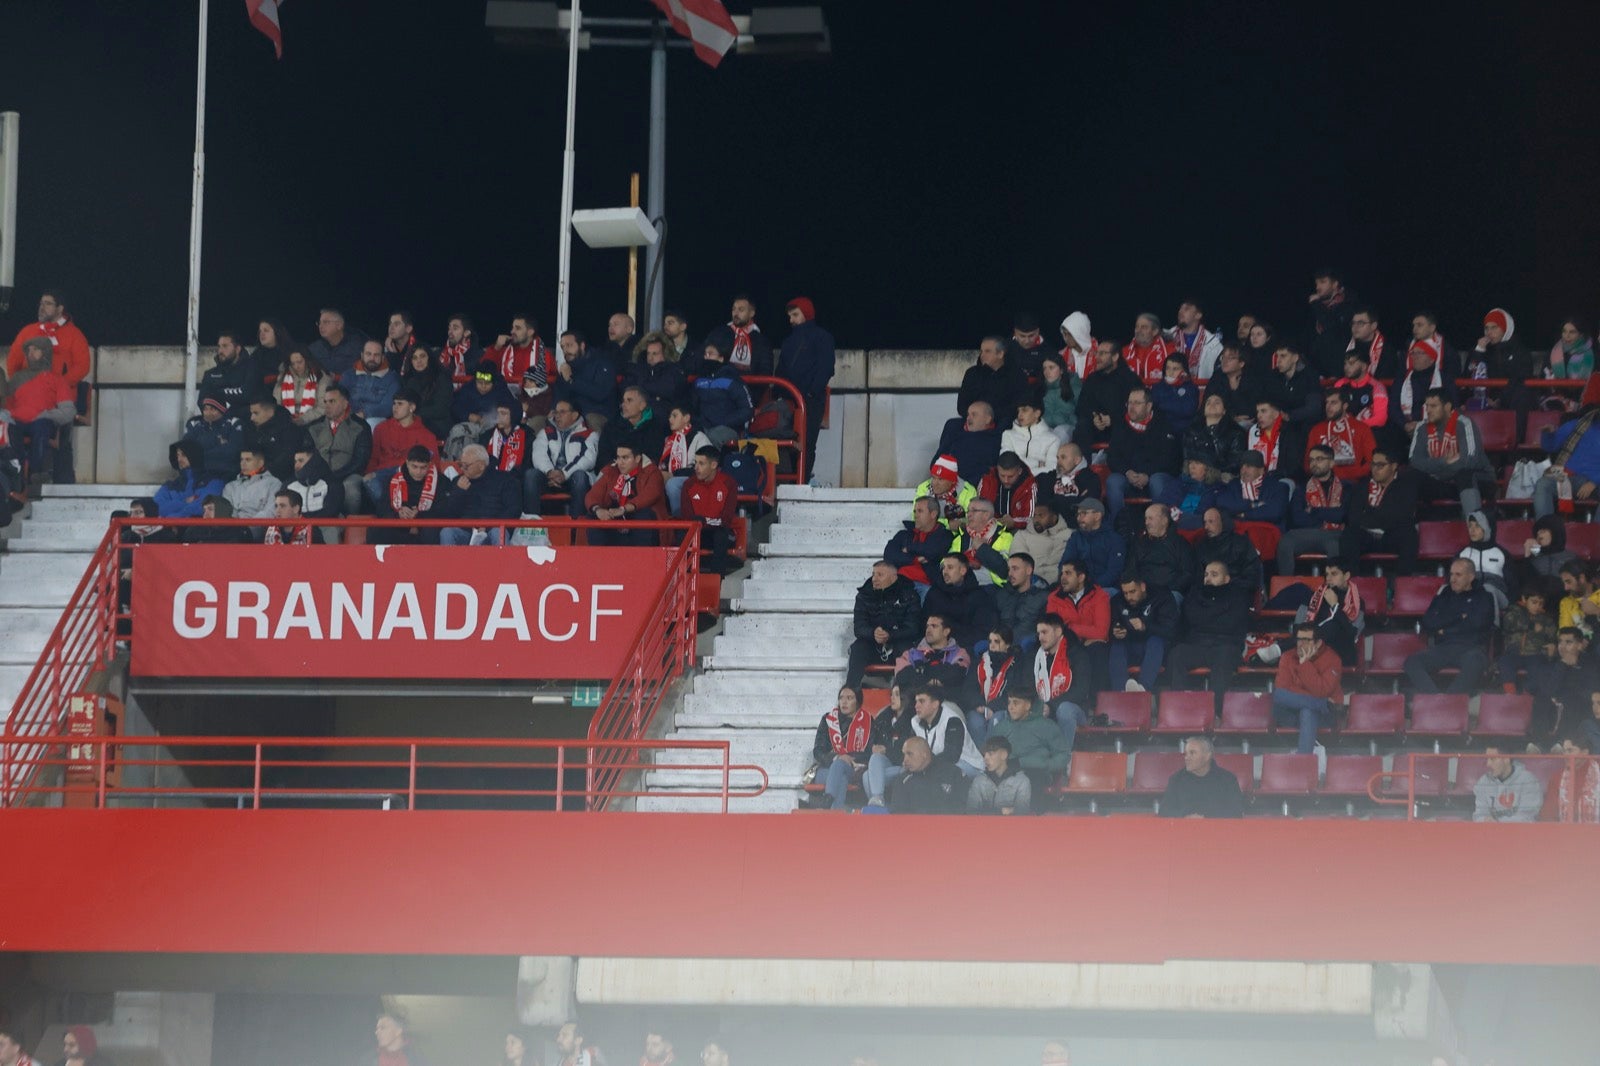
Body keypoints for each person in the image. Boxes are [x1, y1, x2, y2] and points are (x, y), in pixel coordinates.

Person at [1166, 561, 1252, 716]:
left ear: (1226, 579)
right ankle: (1180, 710)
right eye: (1206, 575)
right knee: (1177, 654)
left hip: (1226, 645)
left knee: (1224, 659)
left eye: (1214, 574)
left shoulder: (1238, 596)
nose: (1208, 578)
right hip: (1197, 644)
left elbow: (1230, 624)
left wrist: (1205, 618)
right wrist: (1215, 617)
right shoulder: (1194, 593)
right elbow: (1190, 619)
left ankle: (1214, 714)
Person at [1404, 559, 1496, 694]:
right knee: (1411, 662)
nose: (1453, 579)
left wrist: (1444, 627)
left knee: (1475, 662)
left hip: (1471, 648)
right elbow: (1428, 622)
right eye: (1451, 574)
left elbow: (1478, 624)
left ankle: (1450, 702)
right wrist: (1460, 616)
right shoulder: (1444, 595)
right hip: (1443, 648)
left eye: (1458, 575)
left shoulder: (1483, 596)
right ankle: (1436, 699)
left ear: (1471, 577)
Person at [806, 684, 894, 810]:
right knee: (839, 770)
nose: (844, 702)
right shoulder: (828, 720)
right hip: (827, 769)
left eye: (849, 698)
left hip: (855, 769)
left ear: (858, 701)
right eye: (841, 698)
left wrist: (849, 758)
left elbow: (870, 751)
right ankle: (835, 812)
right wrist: (837, 757)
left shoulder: (868, 722)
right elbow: (818, 751)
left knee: (841, 771)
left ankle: (829, 802)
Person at [1408, 389, 1493, 520]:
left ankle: (1476, 526)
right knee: (1410, 476)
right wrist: (1444, 462)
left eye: (1433, 406)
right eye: (1426, 406)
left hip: (1477, 480)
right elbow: (1415, 462)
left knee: (1465, 474)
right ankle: (1408, 526)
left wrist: (1436, 468)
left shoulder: (1464, 423)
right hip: (1443, 482)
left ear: (1447, 407)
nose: (1428, 410)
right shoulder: (1421, 427)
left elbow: (1470, 461)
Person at [2, 336, 76, 482]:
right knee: (9, 429)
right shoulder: (17, 378)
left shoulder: (57, 380)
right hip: (17, 422)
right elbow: (6, 406)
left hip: (42, 421)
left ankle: (36, 472)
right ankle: (17, 473)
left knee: (41, 428)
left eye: (35, 349)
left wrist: (46, 415)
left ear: (45, 352)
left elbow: (68, 411)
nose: (30, 353)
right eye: (28, 350)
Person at [779, 296, 836, 478]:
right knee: (784, 440)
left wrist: (811, 392)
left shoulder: (823, 337)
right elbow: (780, 370)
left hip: (811, 401)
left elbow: (826, 368)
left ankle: (801, 481)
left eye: (795, 315)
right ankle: (789, 480)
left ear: (807, 314)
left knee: (807, 442)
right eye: (790, 316)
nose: (791, 320)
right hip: (789, 400)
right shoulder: (788, 342)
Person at [1103, 387, 1179, 520]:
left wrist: (1147, 474)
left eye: (1137, 403)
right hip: (1129, 477)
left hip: (1154, 477)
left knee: (1157, 481)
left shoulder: (1164, 425)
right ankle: (1120, 526)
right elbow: (1112, 457)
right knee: (1113, 481)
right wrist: (1127, 472)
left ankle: (1160, 524)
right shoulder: (1121, 425)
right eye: (1129, 403)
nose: (1131, 407)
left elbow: (1169, 459)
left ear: (1149, 406)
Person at [1339, 449, 1419, 574]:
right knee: (1349, 535)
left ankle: (1402, 585)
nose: (1375, 469)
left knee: (1409, 534)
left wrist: (1370, 513)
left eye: (1380, 465)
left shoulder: (1405, 487)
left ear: (1393, 466)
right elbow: (1354, 517)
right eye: (1373, 464)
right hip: (1366, 536)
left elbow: (1402, 517)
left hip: (1392, 536)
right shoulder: (1362, 486)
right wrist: (1382, 515)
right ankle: (1352, 584)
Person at [1270, 623, 1344, 754]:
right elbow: (1282, 693)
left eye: (1307, 640)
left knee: (1308, 711)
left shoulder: (1333, 660)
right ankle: (1320, 705)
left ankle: (1303, 760)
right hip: (1292, 714)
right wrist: (1320, 702)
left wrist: (1305, 664)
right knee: (1278, 695)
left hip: (1324, 716)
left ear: (1318, 643)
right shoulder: (1287, 657)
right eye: (1299, 639)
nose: (1301, 644)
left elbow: (1322, 691)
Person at [847, 560, 923, 686]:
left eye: (880, 575)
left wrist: (891, 635)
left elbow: (913, 628)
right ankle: (850, 693)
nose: (874, 579)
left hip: (898, 642)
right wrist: (874, 633)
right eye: (873, 574)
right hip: (872, 643)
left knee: (906, 649)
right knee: (858, 648)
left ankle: (907, 696)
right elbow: (859, 627)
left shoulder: (909, 595)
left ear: (894, 577)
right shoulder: (864, 595)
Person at [1277, 446, 1348, 575]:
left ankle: (1335, 589)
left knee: (1335, 544)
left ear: (1332, 463)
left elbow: (1343, 515)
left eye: (1319, 459)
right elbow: (1297, 518)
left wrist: (1314, 511)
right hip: (1308, 533)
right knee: (1286, 540)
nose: (1314, 463)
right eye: (1311, 460)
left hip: (1335, 535)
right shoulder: (1302, 488)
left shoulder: (1346, 487)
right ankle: (1287, 587)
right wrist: (1327, 517)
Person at [305, 383, 374, 515]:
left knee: (351, 490)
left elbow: (360, 461)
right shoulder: (314, 426)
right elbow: (308, 455)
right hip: (319, 475)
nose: (327, 405)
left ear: (345, 403)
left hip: (349, 475)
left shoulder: (360, 426)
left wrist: (336, 476)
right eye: (325, 401)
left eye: (332, 401)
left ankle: (349, 528)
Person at [365, 390, 440, 504]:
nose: (395, 407)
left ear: (412, 407)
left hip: (410, 478)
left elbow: (433, 465)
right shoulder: (381, 428)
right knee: (369, 481)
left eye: (400, 404)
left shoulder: (426, 435)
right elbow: (373, 457)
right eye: (394, 403)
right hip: (382, 477)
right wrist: (370, 473)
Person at [525, 399, 597, 518]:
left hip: (572, 478)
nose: (557, 416)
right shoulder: (545, 432)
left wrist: (564, 474)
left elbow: (587, 460)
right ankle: (532, 527)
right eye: (556, 412)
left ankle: (576, 529)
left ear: (574, 415)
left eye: (562, 412)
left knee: (580, 477)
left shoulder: (590, 434)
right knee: (530, 475)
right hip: (549, 477)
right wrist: (550, 472)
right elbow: (539, 454)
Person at [989, 685, 1072, 788]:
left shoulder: (1047, 726)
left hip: (1036, 775)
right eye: (1009, 702)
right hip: (1005, 774)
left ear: (1028, 705)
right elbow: (990, 755)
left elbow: (1063, 756)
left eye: (1016, 703)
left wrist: (1043, 764)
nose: (1010, 707)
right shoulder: (1001, 727)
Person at [583, 443, 665, 546]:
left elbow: (650, 495)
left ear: (637, 458)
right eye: (618, 457)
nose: (620, 462)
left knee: (644, 515)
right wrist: (598, 510)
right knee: (593, 516)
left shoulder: (652, 472)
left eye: (625, 458)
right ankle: (600, 559)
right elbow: (592, 495)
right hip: (616, 524)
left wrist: (624, 509)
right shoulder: (611, 470)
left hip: (639, 526)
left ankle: (643, 559)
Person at [1108, 574, 1179, 692]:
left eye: (1132, 591)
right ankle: (1120, 692)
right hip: (1131, 647)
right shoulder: (1117, 601)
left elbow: (1171, 630)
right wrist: (1116, 632)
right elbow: (1111, 627)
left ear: (1142, 587)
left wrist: (1145, 627)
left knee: (1155, 641)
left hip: (1157, 650)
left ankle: (1142, 688)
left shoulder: (1162, 597)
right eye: (1125, 593)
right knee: (1117, 644)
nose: (1129, 597)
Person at [8, 289, 91, 389]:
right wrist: (21, 386)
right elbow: (13, 362)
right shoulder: (27, 331)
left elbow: (82, 366)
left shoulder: (74, 334)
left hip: (60, 397)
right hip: (29, 395)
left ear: (60, 309)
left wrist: (60, 385)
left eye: (48, 304)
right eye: (41, 304)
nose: (42, 308)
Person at [440, 443, 520, 546]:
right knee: (447, 532)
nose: (462, 469)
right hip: (466, 532)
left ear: (481, 465)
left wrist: (489, 526)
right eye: (461, 465)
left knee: (498, 532)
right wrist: (459, 492)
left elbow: (513, 510)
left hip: (492, 531)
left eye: (466, 466)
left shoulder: (505, 480)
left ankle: (503, 562)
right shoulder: (458, 481)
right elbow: (448, 514)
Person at [679, 446, 740, 574]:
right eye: (695, 463)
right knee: (682, 534)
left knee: (721, 535)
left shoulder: (728, 483)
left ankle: (716, 580)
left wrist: (703, 521)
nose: (696, 467)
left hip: (719, 533)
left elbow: (726, 519)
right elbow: (688, 517)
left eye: (701, 463)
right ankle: (685, 578)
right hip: (698, 533)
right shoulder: (689, 485)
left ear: (713, 465)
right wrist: (705, 522)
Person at [1071, 339, 1138, 452]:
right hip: (1096, 426)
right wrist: (1094, 418)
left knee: (1123, 427)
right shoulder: (1092, 379)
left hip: (1119, 425)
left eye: (1102, 353)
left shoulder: (1130, 379)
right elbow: (1081, 407)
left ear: (1115, 357)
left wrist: (1113, 419)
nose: (1097, 357)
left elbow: (1136, 409)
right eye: (1097, 353)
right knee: (1082, 427)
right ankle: (1083, 467)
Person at [1033, 614, 1089, 750]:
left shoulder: (1077, 654)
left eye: (1044, 632)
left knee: (1064, 709)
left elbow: (1080, 691)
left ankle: (1061, 761)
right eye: (1038, 633)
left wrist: (1051, 705)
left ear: (1058, 632)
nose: (1040, 637)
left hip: (1076, 710)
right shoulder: (1036, 658)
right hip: (1046, 708)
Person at [1534, 405, 1600, 519]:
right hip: (1567, 474)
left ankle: (1595, 535)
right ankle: (1546, 530)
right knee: (1543, 484)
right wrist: (1548, 434)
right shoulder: (1575, 425)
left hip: (1595, 480)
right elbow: (1550, 447)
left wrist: (1594, 482)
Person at [375, 445, 449, 545]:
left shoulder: (441, 481)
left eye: (423, 467)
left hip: (426, 528)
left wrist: (419, 517)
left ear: (430, 464)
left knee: (431, 531)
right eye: (414, 466)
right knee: (376, 530)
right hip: (398, 526)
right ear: (407, 463)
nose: (418, 472)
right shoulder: (392, 479)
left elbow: (444, 510)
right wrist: (398, 514)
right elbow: (382, 508)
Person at [1528, 628, 1595, 737]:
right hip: (1558, 705)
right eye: (1560, 642)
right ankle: (1539, 743)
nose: (1562, 647)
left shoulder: (1591, 663)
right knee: (1541, 699)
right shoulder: (1554, 663)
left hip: (1582, 705)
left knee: (1571, 701)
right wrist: (1562, 666)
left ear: (1579, 645)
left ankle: (1564, 743)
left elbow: (1592, 690)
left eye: (1568, 642)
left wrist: (1574, 669)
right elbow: (1548, 690)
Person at [922, 553, 998, 650]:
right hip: (930, 648)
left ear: (963, 571)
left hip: (963, 650)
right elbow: (923, 622)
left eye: (950, 567)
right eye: (943, 568)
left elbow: (982, 631)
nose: (945, 571)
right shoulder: (934, 593)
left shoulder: (979, 596)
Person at [488, 314, 558, 414]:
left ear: (530, 332)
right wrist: (496, 348)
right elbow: (483, 368)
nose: (512, 332)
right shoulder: (503, 351)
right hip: (504, 405)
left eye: (518, 328)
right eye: (512, 328)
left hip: (533, 408)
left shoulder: (543, 355)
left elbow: (549, 386)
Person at [1159, 736, 1244, 818]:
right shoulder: (1176, 779)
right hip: (1185, 830)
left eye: (1192, 753)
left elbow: (1236, 812)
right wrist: (1185, 817)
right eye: (1186, 753)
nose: (1186, 758)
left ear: (1207, 756)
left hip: (1217, 830)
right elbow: (1164, 811)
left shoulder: (1228, 780)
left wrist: (1206, 818)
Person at [963, 626, 1021, 745]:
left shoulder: (1016, 664)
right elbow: (968, 688)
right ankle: (983, 759)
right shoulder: (979, 662)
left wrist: (992, 707)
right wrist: (980, 705)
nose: (992, 645)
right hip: (978, 707)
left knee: (996, 720)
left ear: (1008, 644)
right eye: (990, 641)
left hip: (1003, 708)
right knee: (975, 722)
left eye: (997, 641)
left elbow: (1014, 691)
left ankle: (992, 759)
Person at [908, 685, 983, 776]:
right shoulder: (915, 722)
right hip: (934, 765)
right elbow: (911, 751)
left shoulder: (952, 721)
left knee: (945, 770)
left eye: (922, 701)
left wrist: (924, 764)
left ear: (935, 704)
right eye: (916, 701)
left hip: (969, 766)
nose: (916, 706)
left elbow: (951, 756)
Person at [958, 336, 1029, 431]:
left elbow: (1017, 405)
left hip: (1002, 422)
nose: (982, 355)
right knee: (951, 425)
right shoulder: (972, 374)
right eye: (981, 351)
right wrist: (976, 417)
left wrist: (989, 417)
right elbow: (962, 405)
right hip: (972, 420)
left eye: (987, 351)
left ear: (1000, 354)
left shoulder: (1017, 376)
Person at [557, 328, 620, 434]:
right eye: (563, 347)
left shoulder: (602, 363)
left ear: (582, 346)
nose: (566, 350)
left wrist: (572, 381)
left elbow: (600, 393)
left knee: (591, 420)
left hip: (599, 413)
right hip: (573, 413)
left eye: (569, 345)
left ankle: (596, 450)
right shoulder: (567, 368)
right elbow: (559, 394)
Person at [884, 495, 955, 589]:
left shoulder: (945, 535)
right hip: (900, 582)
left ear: (933, 514)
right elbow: (889, 555)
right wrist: (915, 559)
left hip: (927, 586)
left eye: (920, 511)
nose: (915, 515)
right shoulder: (904, 534)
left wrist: (908, 548)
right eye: (914, 511)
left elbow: (932, 551)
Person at [1305, 388, 1375, 481]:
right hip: (1323, 483)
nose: (1328, 407)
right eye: (1327, 403)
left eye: (1333, 403)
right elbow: (1307, 462)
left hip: (1353, 484)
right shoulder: (1317, 429)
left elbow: (1373, 460)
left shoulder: (1361, 428)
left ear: (1345, 406)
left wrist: (1355, 474)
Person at [1393, 335, 1456, 439]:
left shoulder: (1445, 379)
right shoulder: (1402, 379)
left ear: (1431, 359)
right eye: (1413, 353)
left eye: (1420, 353)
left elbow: (1452, 406)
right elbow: (1393, 407)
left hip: (1437, 429)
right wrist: (1405, 425)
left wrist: (1424, 426)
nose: (1414, 356)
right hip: (1405, 429)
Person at [691, 344, 754, 446]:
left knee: (712, 438)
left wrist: (724, 421)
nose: (706, 357)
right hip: (703, 427)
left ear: (721, 358)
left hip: (728, 428)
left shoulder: (733, 379)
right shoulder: (699, 380)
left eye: (710, 354)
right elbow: (692, 407)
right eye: (705, 354)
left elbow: (747, 409)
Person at [1497, 586, 1557, 694]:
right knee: (1504, 662)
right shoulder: (1514, 611)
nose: (1537, 606)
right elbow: (1508, 623)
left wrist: (1552, 648)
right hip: (1514, 652)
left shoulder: (1546, 619)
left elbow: (1553, 637)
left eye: (1541, 603)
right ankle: (1510, 693)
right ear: (1524, 599)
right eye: (1534, 602)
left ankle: (1527, 694)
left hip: (1536, 653)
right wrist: (1531, 625)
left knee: (1538, 668)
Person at [892, 613, 971, 693]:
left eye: (934, 626)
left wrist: (920, 672)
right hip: (915, 701)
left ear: (946, 632)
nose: (928, 630)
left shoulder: (960, 653)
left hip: (947, 701)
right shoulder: (912, 653)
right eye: (927, 626)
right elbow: (902, 675)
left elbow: (957, 675)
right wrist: (933, 682)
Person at [885, 736, 966, 813]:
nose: (905, 760)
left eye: (910, 754)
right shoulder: (902, 780)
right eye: (904, 754)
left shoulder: (952, 773)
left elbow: (963, 809)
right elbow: (897, 815)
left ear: (924, 754)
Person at [1059, 497, 1124, 591]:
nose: (1079, 518)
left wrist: (1090, 588)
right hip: (1078, 587)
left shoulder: (1114, 539)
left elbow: (1114, 572)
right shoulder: (1075, 537)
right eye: (1078, 514)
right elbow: (1065, 563)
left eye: (1084, 513)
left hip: (1105, 588)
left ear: (1097, 516)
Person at [658, 403, 711, 515]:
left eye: (674, 416)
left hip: (696, 480)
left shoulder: (699, 437)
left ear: (686, 418)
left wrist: (673, 475)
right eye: (669, 416)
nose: (670, 419)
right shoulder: (668, 440)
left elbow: (706, 469)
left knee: (672, 484)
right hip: (671, 478)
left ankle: (680, 520)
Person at [947, 497, 1012, 587]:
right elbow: (945, 563)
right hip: (962, 584)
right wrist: (965, 564)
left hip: (991, 587)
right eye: (968, 511)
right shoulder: (962, 536)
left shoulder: (1005, 537)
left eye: (974, 511)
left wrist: (982, 548)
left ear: (986, 515)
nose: (968, 515)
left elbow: (1005, 570)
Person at [1214, 450, 1289, 528]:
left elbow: (1275, 512)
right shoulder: (1233, 485)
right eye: (1242, 467)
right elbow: (1222, 503)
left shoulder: (1278, 487)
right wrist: (1252, 505)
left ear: (1261, 470)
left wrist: (1243, 514)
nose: (1244, 470)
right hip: (1237, 532)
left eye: (1249, 466)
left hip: (1266, 532)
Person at [936, 400, 1004, 485]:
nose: (968, 418)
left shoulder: (995, 441)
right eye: (968, 414)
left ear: (988, 419)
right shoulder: (954, 434)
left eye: (974, 414)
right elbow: (936, 463)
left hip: (973, 489)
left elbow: (989, 472)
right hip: (947, 484)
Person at [702, 295, 773, 376]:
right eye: (734, 309)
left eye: (741, 309)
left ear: (752, 313)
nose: (736, 313)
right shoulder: (719, 334)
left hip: (748, 387)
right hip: (719, 384)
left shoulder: (762, 342)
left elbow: (765, 373)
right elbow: (705, 360)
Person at [1193, 507, 1262, 590]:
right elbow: (1197, 578)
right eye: (1205, 522)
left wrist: (1227, 585)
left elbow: (1252, 575)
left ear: (1223, 522)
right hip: (1207, 593)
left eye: (1211, 522)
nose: (1206, 527)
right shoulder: (1201, 546)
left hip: (1237, 592)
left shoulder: (1241, 543)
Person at [1307, 267, 1357, 377]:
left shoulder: (1348, 304)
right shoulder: (1315, 307)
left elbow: (1332, 326)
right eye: (1316, 284)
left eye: (1323, 282)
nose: (1318, 287)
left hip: (1342, 368)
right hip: (1319, 370)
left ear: (1335, 284)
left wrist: (1316, 305)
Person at [1472, 746, 1544, 823]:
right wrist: (1484, 820)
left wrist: (1498, 823)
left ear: (1506, 759)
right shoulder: (1483, 782)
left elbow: (1527, 817)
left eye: (1492, 759)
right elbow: (1479, 815)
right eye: (1487, 759)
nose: (1488, 764)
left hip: (1520, 832)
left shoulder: (1528, 780)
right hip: (1491, 832)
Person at [154, 439, 224, 519]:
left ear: (194, 455)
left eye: (183, 455)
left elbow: (202, 508)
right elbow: (156, 508)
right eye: (177, 455)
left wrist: (172, 518)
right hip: (170, 529)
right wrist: (185, 502)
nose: (179, 459)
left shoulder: (214, 482)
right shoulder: (170, 485)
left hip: (199, 529)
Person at [1182, 392, 1247, 478]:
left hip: (1222, 476)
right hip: (1195, 475)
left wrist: (1211, 470)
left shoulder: (1236, 433)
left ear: (1224, 410)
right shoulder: (1192, 431)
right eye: (1208, 402)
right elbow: (1187, 457)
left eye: (1217, 402)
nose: (1212, 404)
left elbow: (1235, 463)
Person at [1010, 496, 1070, 585]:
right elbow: (1017, 563)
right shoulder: (1022, 535)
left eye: (1041, 515)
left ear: (1054, 517)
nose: (1036, 520)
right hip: (1028, 585)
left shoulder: (1069, 536)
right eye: (1034, 515)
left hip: (1058, 586)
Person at [627, 334, 690, 417]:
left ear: (665, 354)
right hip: (641, 418)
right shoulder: (640, 370)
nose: (650, 357)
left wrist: (644, 387)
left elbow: (666, 390)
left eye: (655, 354)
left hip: (664, 418)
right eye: (648, 353)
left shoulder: (674, 371)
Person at [181, 397, 244, 479]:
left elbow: (231, 452)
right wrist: (217, 442)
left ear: (221, 410)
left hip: (222, 475)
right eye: (205, 409)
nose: (208, 413)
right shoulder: (194, 424)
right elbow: (186, 451)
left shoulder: (233, 423)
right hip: (194, 475)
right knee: (165, 490)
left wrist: (199, 453)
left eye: (212, 409)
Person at [967, 735, 1032, 814]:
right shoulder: (979, 781)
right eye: (984, 755)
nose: (985, 758)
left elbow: (1022, 814)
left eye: (990, 754)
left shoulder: (1021, 781)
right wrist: (1002, 812)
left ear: (1004, 755)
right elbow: (971, 813)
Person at [401, 346, 455, 441]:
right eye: (414, 358)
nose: (419, 361)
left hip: (439, 424)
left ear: (430, 358)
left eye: (422, 356)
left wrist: (414, 414)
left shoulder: (442, 378)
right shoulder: (409, 381)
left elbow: (441, 409)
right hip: (415, 421)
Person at [1459, 510, 1511, 608]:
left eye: (1477, 526)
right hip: (1470, 595)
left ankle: (1492, 624)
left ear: (1487, 528)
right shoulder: (1462, 554)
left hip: (1497, 595)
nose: (1472, 530)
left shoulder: (1502, 554)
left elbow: (1512, 584)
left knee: (1487, 590)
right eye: (1470, 526)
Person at [1201, 343, 1261, 428]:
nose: (1225, 361)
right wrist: (1231, 418)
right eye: (1223, 357)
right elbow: (1206, 405)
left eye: (1231, 358)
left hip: (1248, 423)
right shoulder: (1217, 377)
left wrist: (1235, 389)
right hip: (1220, 420)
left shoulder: (1251, 379)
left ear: (1241, 363)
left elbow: (1252, 409)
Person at [242, 396, 301, 482]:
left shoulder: (289, 430)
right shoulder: (252, 429)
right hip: (256, 477)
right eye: (251, 413)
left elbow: (287, 458)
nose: (252, 418)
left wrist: (264, 470)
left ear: (270, 412)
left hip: (282, 479)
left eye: (256, 413)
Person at [999, 397, 1061, 478]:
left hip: (1040, 483)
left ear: (1037, 413)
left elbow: (1051, 469)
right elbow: (1007, 463)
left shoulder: (1053, 439)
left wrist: (1020, 468)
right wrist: (1037, 463)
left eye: (1024, 410)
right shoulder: (1008, 434)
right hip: (1014, 483)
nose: (1019, 414)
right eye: (1018, 411)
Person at [977, 451, 1038, 532]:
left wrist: (1014, 522)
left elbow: (1032, 518)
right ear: (998, 469)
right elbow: (977, 509)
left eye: (1010, 476)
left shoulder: (1029, 486)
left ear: (1019, 471)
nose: (1006, 480)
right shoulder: (987, 480)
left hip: (1018, 530)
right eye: (1002, 475)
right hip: (989, 528)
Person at [1245, 397, 1304, 480]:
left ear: (1276, 414)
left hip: (1281, 479)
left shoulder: (1290, 432)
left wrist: (1270, 476)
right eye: (1257, 412)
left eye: (1263, 411)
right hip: (1257, 478)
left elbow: (1292, 468)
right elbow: (1250, 461)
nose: (1259, 416)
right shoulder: (1253, 430)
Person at [1335, 347, 1390, 435]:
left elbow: (1381, 419)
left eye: (1351, 363)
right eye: (1345, 364)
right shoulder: (1340, 384)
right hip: (1341, 432)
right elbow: (1333, 412)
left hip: (1367, 433)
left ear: (1364, 366)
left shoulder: (1377, 387)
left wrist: (1355, 426)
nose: (1346, 367)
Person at [199, 329, 254, 417]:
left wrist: (218, 393)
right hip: (218, 424)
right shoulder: (210, 374)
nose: (220, 351)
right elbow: (203, 402)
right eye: (219, 346)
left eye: (225, 346)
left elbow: (249, 398)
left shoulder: (251, 371)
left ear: (238, 349)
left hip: (245, 424)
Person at [913, 453, 977, 528]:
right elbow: (917, 518)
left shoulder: (968, 491)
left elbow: (971, 521)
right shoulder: (923, 488)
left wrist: (932, 521)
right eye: (933, 477)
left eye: (940, 479)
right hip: (929, 534)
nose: (935, 483)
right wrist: (948, 523)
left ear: (952, 481)